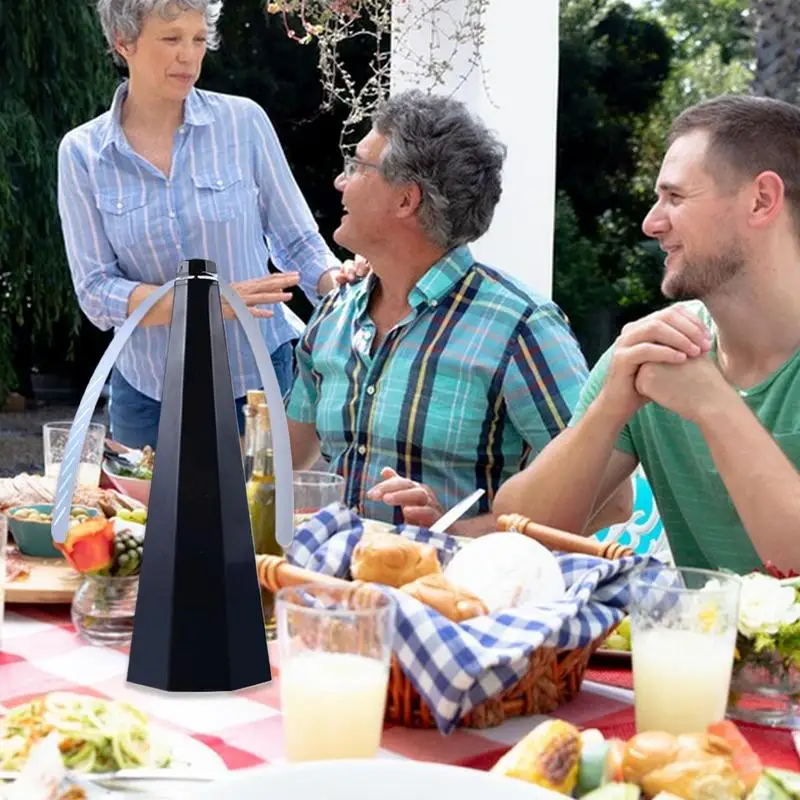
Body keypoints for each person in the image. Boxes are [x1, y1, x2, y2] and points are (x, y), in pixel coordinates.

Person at [495, 94, 800, 574]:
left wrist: (714, 405)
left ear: (761, 200)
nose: (651, 223)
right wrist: (608, 409)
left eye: (675, 198)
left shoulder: (683, 371)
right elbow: (515, 532)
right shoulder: (655, 352)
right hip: (691, 647)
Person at [285, 89, 605, 536]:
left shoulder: (522, 328)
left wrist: (454, 534)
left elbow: (606, 502)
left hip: (458, 599)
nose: (341, 181)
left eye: (357, 167)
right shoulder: (335, 313)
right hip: (334, 592)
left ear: (405, 201)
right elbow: (280, 457)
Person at [57, 0, 359, 450]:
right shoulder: (82, 153)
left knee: (260, 516)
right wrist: (205, 300)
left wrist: (340, 288)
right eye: (172, 38)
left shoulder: (244, 123)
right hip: (148, 394)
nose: (190, 55)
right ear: (124, 43)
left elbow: (296, 241)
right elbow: (98, 291)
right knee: (140, 520)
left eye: (198, 39)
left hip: (256, 380)